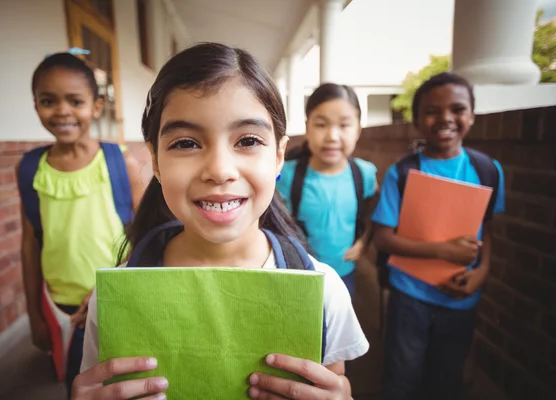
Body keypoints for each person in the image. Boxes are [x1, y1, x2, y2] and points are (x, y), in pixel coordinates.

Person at [71, 42, 369, 400]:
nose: (219, 170)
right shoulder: (114, 297)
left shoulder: (324, 291)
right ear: (155, 160)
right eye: (185, 143)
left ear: (278, 156)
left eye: (247, 140)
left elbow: (334, 383)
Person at [16, 52, 145, 397]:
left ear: (96, 106)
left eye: (75, 101)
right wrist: (34, 314)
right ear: (36, 105)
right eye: (48, 101)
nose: (62, 111)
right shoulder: (31, 169)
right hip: (61, 310)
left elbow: (148, 231)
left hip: (118, 303)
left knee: (127, 383)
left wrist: (115, 281)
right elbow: (30, 244)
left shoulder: (119, 162)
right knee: (78, 384)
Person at [372, 72, 505, 400]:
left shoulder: (488, 170)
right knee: (402, 376)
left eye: (457, 109)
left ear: (471, 116)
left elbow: (487, 231)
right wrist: (443, 251)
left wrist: (482, 273)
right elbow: (384, 238)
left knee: (447, 378)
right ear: (416, 121)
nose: (445, 118)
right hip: (409, 296)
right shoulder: (402, 173)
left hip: (461, 296)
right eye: (432, 111)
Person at [276, 83, 377, 299]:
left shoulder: (365, 174)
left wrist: (364, 241)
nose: (332, 135)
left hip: (345, 273)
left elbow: (372, 212)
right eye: (321, 124)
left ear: (358, 130)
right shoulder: (286, 175)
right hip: (301, 273)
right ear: (308, 128)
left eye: (344, 125)